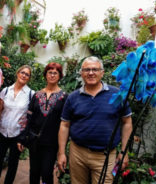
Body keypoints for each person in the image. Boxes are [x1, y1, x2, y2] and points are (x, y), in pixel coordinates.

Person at [57, 56, 133, 184]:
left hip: (105, 156)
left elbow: (127, 122)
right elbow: (64, 125)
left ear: (102, 72)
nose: (91, 73)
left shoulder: (117, 94)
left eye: (95, 69)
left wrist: (124, 152)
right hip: (77, 154)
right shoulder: (73, 97)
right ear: (81, 73)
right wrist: (61, 153)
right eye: (86, 70)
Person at [17, 62, 68, 184]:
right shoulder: (37, 95)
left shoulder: (64, 97)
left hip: (51, 142)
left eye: (55, 73)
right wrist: (22, 138)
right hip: (35, 141)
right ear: (45, 75)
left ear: (60, 76)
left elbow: (65, 123)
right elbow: (28, 118)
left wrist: (62, 147)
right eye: (50, 72)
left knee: (46, 173)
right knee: (34, 171)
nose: (52, 75)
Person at [0, 65, 34, 184]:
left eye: (27, 74)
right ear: (17, 73)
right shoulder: (6, 91)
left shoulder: (31, 94)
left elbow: (31, 117)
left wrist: (24, 137)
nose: (24, 75)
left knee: (13, 162)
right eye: (22, 72)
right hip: (3, 130)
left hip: (18, 133)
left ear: (29, 78)